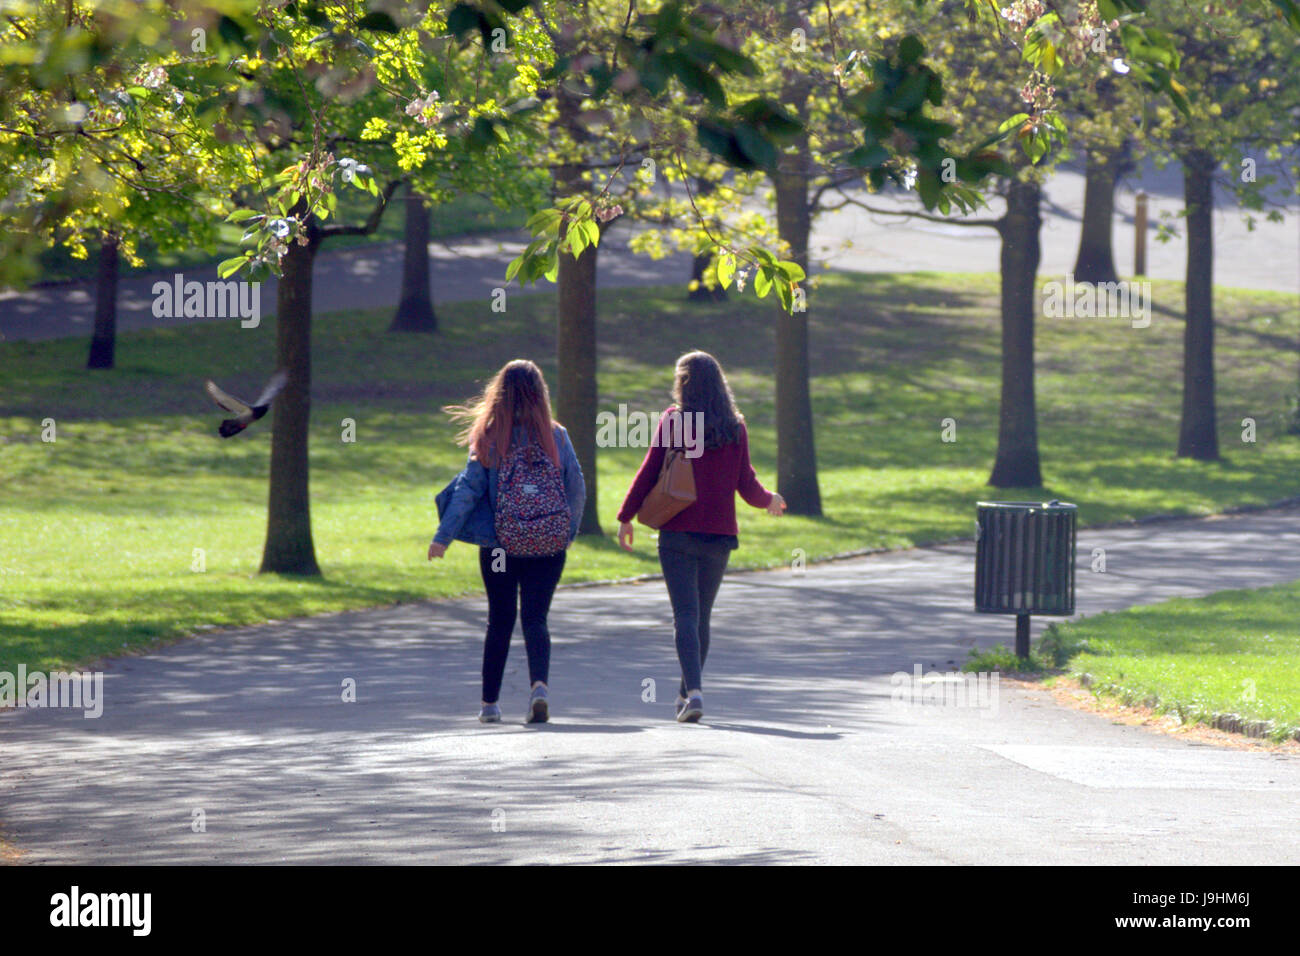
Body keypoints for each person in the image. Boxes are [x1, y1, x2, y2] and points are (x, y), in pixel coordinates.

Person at [617, 351, 785, 723]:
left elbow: (649, 472)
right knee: (701, 617)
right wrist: (769, 500)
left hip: (678, 532)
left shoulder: (675, 422)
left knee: (686, 616)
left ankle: (692, 692)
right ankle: (687, 693)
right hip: (719, 535)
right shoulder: (734, 426)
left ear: (684, 382)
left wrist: (626, 517)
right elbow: (747, 483)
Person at [429, 360, 585, 725]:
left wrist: (443, 536)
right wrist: (566, 533)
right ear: (540, 394)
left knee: (499, 620)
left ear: (498, 393)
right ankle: (539, 688)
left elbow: (469, 490)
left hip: (500, 547)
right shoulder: (556, 435)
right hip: (547, 545)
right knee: (536, 618)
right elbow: (576, 486)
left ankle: (489, 705)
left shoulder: (490, 437)